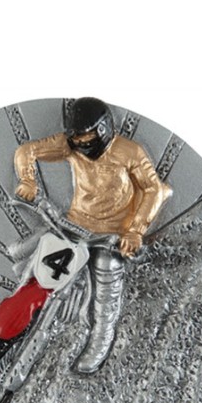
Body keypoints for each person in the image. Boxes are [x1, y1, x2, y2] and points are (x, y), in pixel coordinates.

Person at [14, 97, 171, 373]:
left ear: (103, 129)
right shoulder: (69, 144)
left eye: (87, 137)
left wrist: (135, 231)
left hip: (110, 235)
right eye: (77, 139)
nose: (83, 144)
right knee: (39, 254)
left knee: (107, 271)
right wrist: (28, 180)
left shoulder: (130, 152)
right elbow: (26, 151)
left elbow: (153, 189)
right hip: (74, 224)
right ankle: (20, 299)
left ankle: (101, 336)